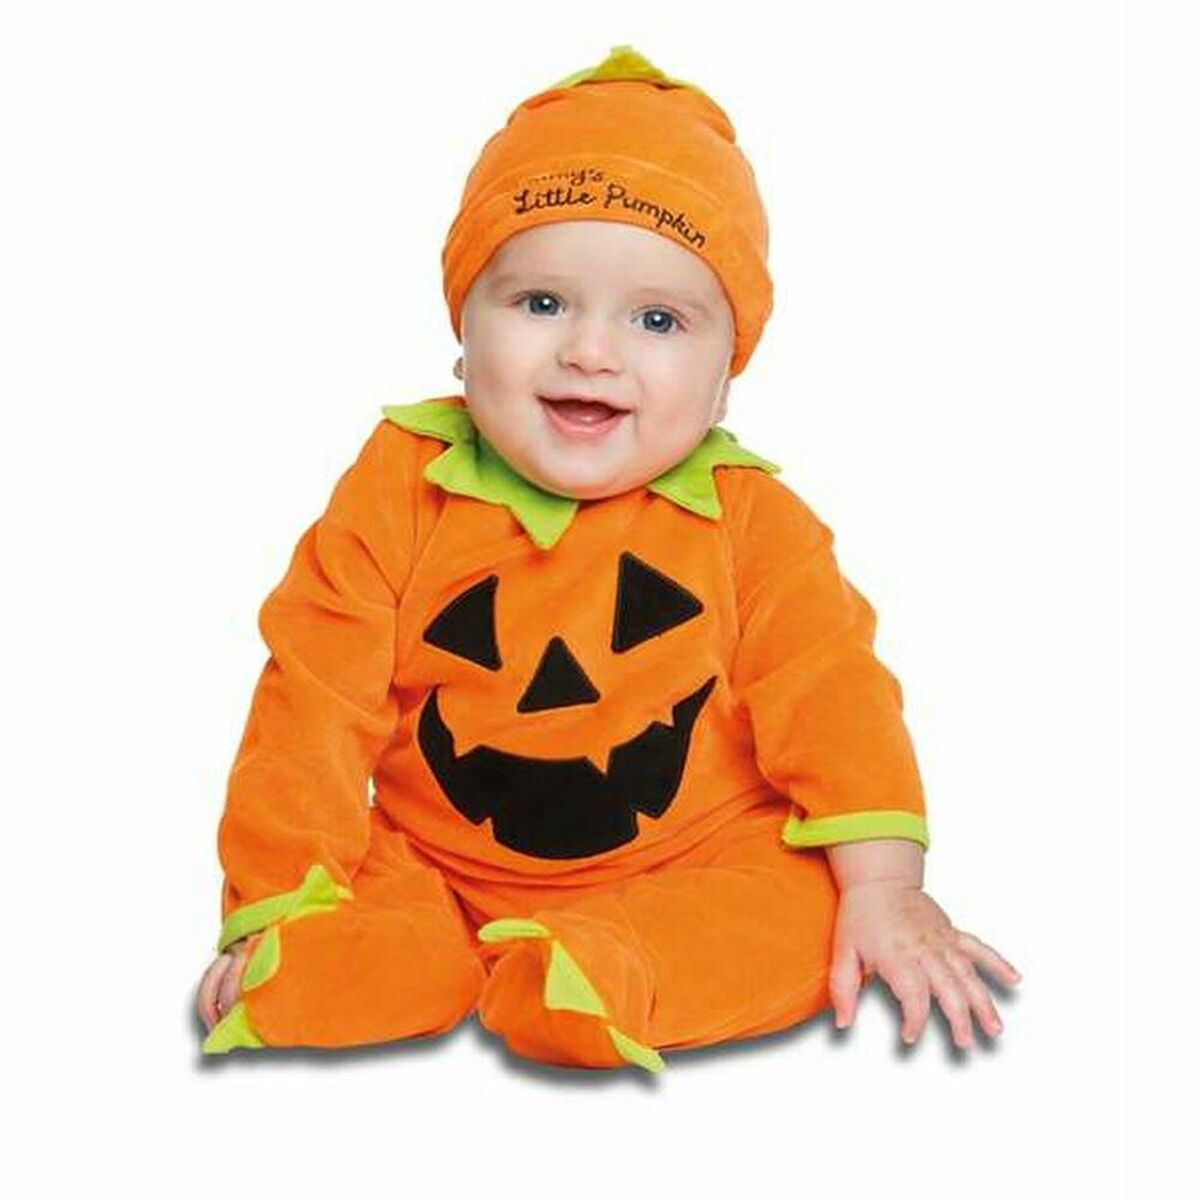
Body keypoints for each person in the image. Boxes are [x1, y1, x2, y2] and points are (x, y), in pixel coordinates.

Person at [196, 45, 1020, 1071]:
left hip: (689, 863)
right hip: (434, 862)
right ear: (464, 329)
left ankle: (596, 971)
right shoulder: (402, 483)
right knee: (362, 900)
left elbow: (836, 700)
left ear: (725, 376)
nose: (590, 350)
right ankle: (366, 959)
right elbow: (313, 702)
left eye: (658, 320)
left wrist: (888, 889)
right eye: (540, 303)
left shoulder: (752, 522)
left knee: (814, 913)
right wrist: (277, 899)